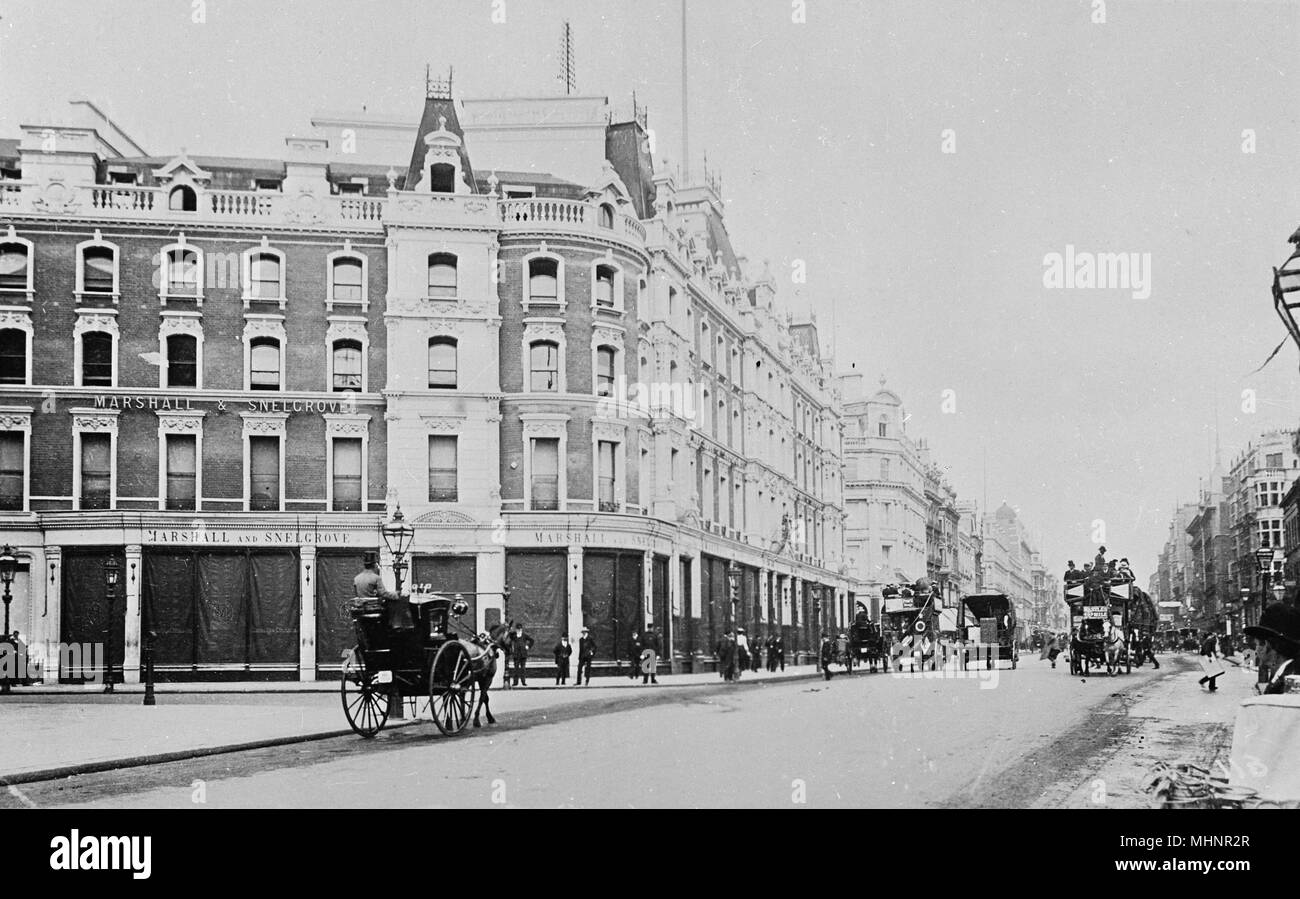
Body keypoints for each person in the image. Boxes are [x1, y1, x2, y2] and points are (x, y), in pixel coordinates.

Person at [1245, 602, 1300, 695]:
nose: (1256, 650)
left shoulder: (1288, 682)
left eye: (1257, 644)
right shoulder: (1285, 673)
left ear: (1266, 646)